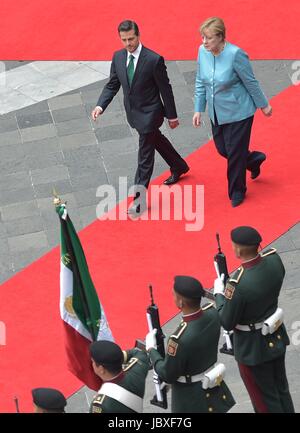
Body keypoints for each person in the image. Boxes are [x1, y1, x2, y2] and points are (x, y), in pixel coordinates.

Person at [92, 20, 189, 215]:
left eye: (131, 39)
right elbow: (113, 84)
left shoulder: (153, 59)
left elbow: (165, 89)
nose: (128, 43)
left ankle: (139, 199)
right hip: (133, 114)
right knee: (156, 139)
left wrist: (172, 115)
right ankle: (178, 165)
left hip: (151, 113)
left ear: (139, 36)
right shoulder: (118, 57)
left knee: (144, 157)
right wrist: (100, 105)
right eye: (124, 40)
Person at [213, 226, 295, 413]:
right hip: (276, 336)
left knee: (264, 401)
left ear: (240, 249)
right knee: (281, 391)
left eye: (234, 246)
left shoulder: (238, 284)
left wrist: (220, 295)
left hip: (252, 348)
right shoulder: (274, 259)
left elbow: (226, 321)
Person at [193, 17, 272, 207]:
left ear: (221, 37)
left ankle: (237, 190)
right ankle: (253, 160)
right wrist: (198, 109)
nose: (204, 42)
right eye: (203, 37)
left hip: (239, 112)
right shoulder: (202, 52)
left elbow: (250, 82)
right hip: (216, 113)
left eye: (209, 38)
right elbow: (200, 81)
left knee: (235, 153)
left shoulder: (236, 54)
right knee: (223, 149)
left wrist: (264, 105)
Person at [145, 275, 235, 413]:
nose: (173, 298)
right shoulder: (212, 313)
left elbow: (167, 374)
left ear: (181, 303)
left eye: (174, 296)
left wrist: (152, 350)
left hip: (191, 398)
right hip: (213, 388)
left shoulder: (179, 339)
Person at [89, 340, 150, 413]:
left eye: (93, 362)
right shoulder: (136, 371)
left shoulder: (100, 405)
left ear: (101, 369)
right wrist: (117, 358)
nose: (92, 364)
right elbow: (140, 353)